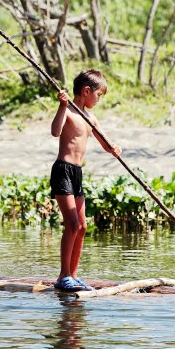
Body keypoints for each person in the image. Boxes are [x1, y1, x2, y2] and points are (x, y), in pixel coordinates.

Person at [50, 69, 121, 292]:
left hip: (77, 173)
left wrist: (113, 148)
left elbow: (104, 142)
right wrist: (62, 106)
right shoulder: (69, 111)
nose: (99, 100)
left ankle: (73, 274)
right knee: (71, 224)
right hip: (63, 170)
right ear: (86, 91)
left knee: (82, 226)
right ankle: (63, 276)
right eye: (98, 95)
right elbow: (55, 131)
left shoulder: (90, 118)